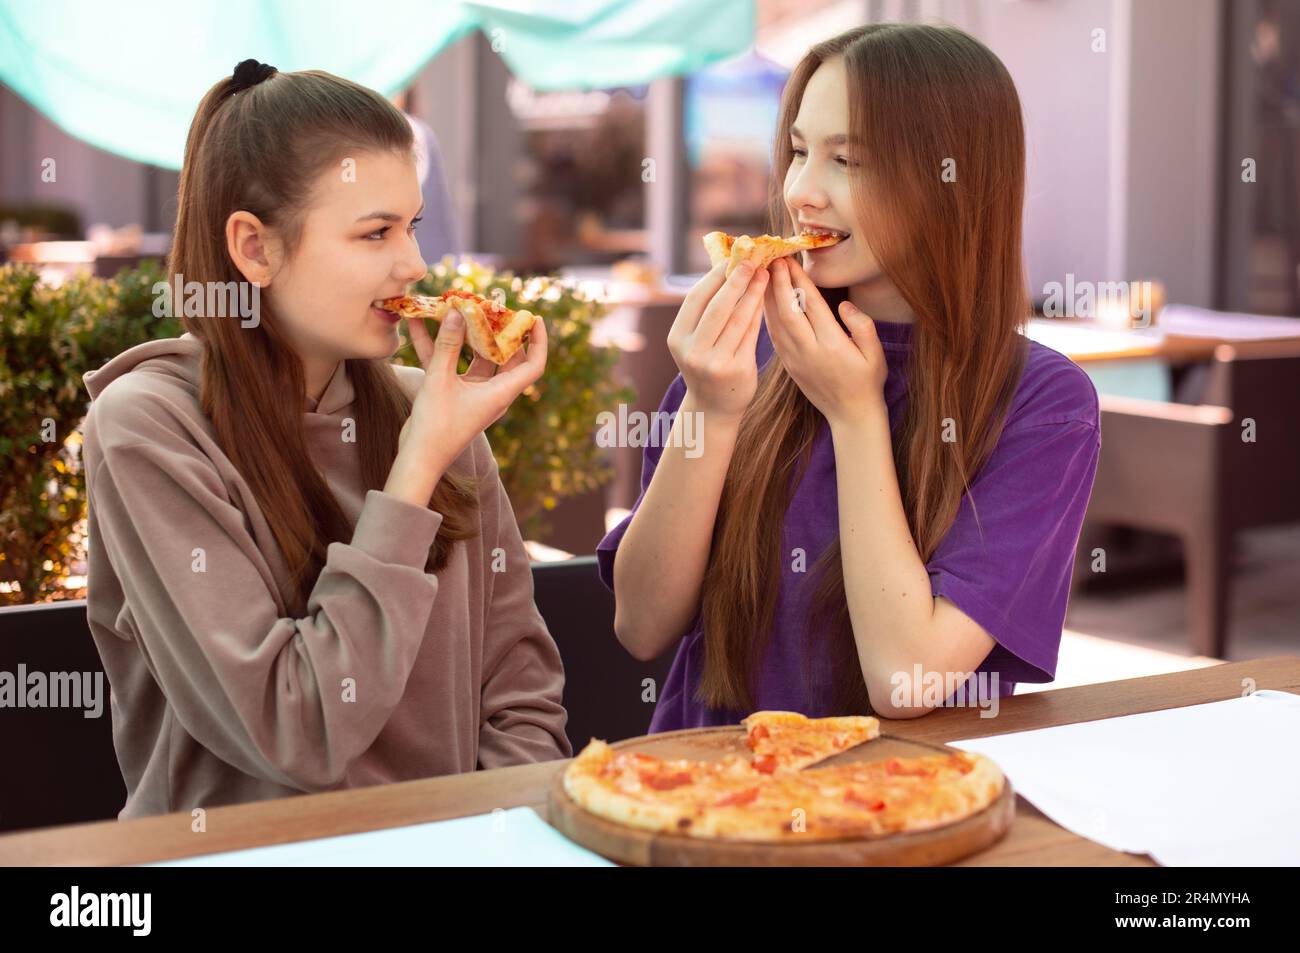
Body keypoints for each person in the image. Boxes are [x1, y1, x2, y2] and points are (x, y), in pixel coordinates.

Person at [81, 60, 569, 819]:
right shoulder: (147, 427)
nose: (413, 264)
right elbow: (296, 733)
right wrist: (415, 472)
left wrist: (492, 842)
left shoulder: (429, 409)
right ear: (254, 248)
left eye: (411, 226)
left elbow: (519, 689)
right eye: (374, 232)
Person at [598, 24, 1101, 728]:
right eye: (800, 151)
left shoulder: (1042, 404)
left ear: (950, 179)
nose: (801, 191)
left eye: (848, 161)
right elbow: (642, 624)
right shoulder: (745, 351)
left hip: (904, 805)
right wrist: (710, 408)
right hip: (703, 797)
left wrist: (856, 414)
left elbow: (905, 680)